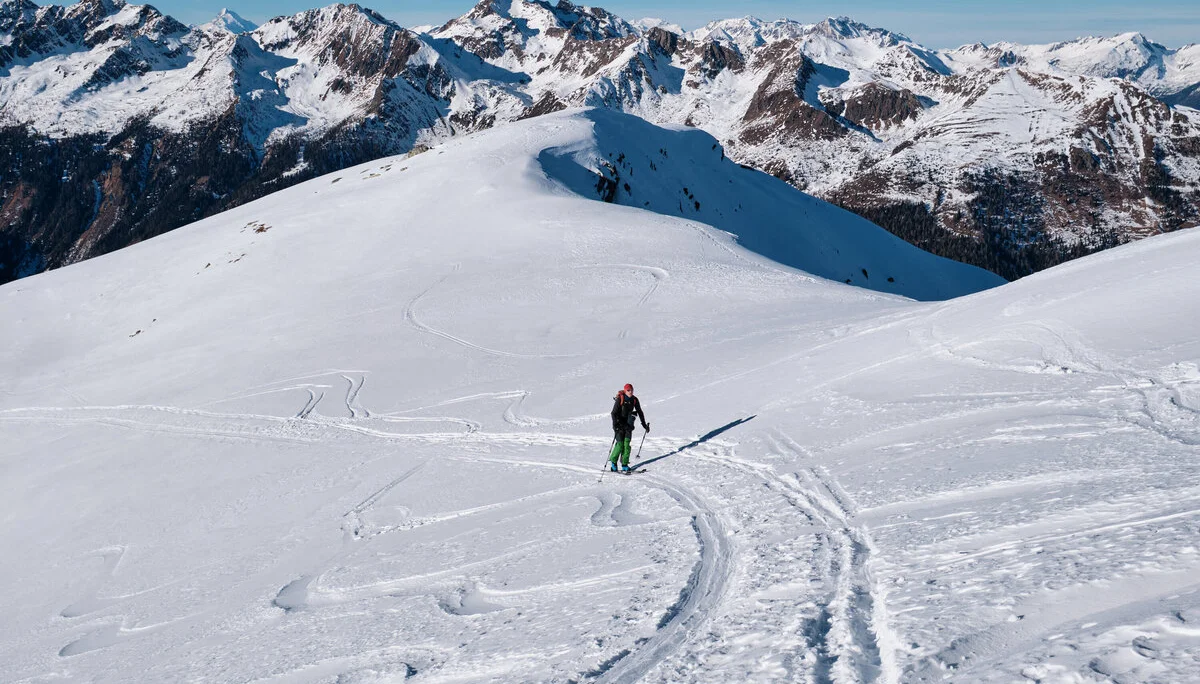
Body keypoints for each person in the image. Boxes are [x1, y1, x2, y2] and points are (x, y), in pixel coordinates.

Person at [609, 383, 649, 473]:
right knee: (619, 445)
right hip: (619, 425)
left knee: (627, 445)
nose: (630, 392)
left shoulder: (634, 400)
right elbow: (613, 413)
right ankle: (613, 462)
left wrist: (644, 425)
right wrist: (615, 425)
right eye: (628, 390)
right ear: (625, 390)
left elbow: (640, 412)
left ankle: (624, 464)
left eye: (631, 390)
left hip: (628, 425)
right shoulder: (620, 398)